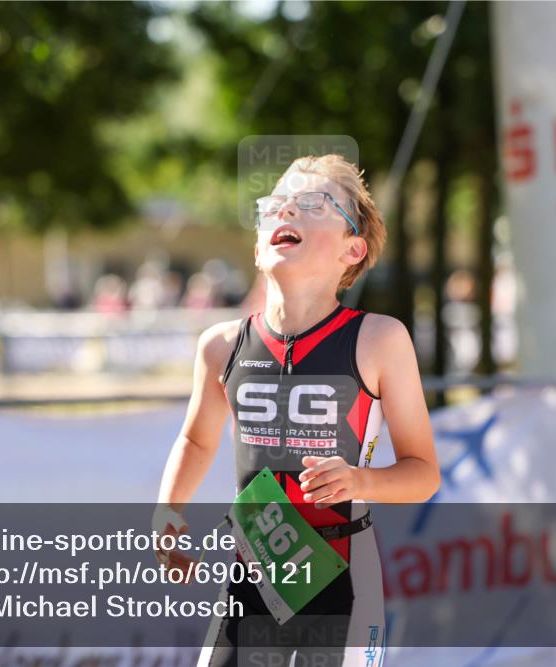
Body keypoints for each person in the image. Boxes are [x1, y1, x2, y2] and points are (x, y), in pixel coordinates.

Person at [155, 154, 441, 666]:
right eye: (275, 205)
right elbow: (196, 439)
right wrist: (169, 509)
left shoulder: (379, 339)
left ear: (352, 249)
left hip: (343, 571)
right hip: (253, 567)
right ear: (258, 247)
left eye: (312, 203)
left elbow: (423, 474)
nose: (286, 211)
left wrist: (359, 481)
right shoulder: (221, 345)